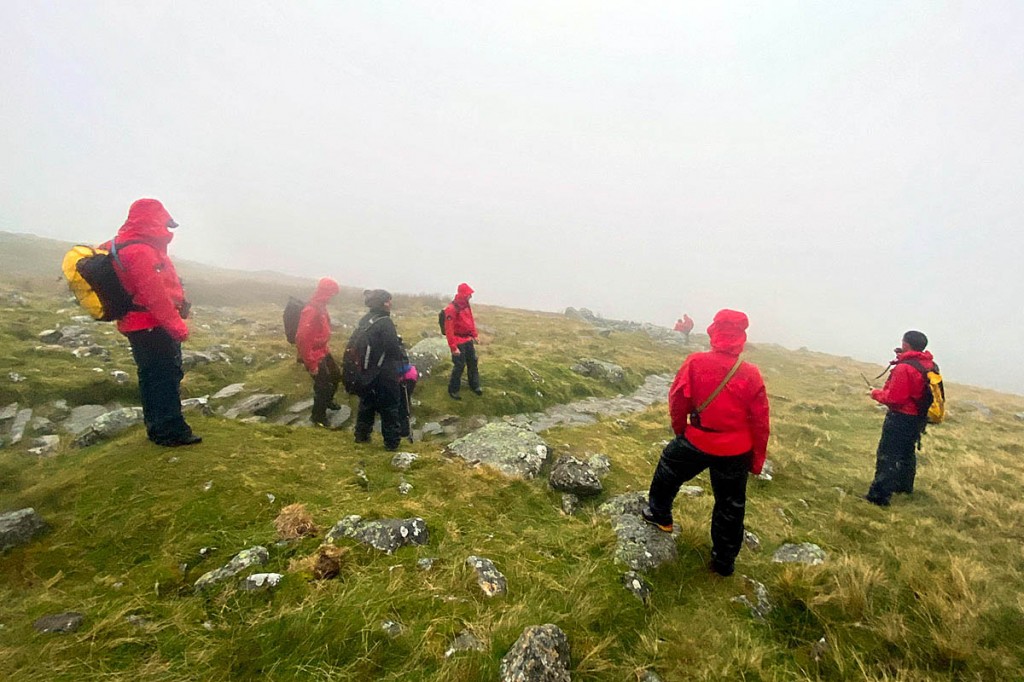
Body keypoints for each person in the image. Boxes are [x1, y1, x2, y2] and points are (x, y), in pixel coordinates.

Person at [641, 309, 771, 577]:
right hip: (736, 450)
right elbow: (760, 423)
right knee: (730, 505)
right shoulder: (751, 374)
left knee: (669, 468)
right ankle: (724, 563)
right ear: (741, 336)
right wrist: (756, 461)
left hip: (698, 440)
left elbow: (678, 400)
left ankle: (660, 516)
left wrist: (681, 432)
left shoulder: (695, 362)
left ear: (714, 331)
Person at [102, 198, 200, 447]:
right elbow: (154, 296)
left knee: (151, 375)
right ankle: (171, 431)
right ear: (154, 220)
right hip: (151, 323)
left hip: (138, 323)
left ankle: (157, 427)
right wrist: (177, 327)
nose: (168, 229)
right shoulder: (141, 251)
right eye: (165, 222)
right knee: (164, 375)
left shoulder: (122, 245)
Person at [864, 331, 936, 506]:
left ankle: (879, 496)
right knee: (906, 452)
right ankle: (903, 487)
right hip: (918, 418)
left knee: (888, 455)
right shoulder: (929, 365)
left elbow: (895, 399)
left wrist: (875, 394)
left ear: (906, 344)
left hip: (901, 417)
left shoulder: (905, 368)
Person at [353, 289, 407, 450]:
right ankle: (392, 443)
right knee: (390, 406)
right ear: (382, 303)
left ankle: (361, 436)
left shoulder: (366, 320)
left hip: (366, 370)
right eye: (387, 301)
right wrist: (401, 355)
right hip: (385, 372)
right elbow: (392, 349)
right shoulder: (385, 322)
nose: (390, 303)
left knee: (367, 403)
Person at [295, 277, 342, 426]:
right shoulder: (311, 310)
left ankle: (327, 402)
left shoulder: (321, 306)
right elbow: (302, 338)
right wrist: (311, 363)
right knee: (323, 386)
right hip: (313, 355)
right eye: (333, 294)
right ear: (326, 292)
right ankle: (318, 417)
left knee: (335, 376)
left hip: (323, 350)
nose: (334, 297)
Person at [444, 282, 481, 400]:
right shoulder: (451, 309)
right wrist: (453, 347)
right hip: (457, 340)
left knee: (472, 362)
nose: (470, 297)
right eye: (469, 294)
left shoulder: (466, 305)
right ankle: (453, 390)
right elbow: (449, 329)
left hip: (467, 339)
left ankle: (475, 385)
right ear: (463, 294)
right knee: (459, 365)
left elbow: (470, 321)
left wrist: (474, 335)